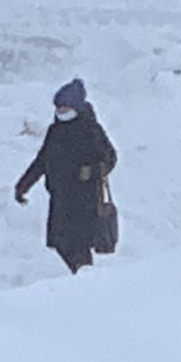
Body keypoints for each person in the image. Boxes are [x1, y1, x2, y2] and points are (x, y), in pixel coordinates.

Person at [13, 77, 118, 271]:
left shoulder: (90, 130)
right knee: (62, 244)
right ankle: (81, 278)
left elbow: (110, 157)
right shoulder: (55, 131)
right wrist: (22, 186)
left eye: (65, 108)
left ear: (76, 107)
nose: (61, 112)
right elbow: (41, 161)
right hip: (60, 200)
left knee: (79, 246)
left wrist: (92, 170)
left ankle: (85, 283)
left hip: (84, 201)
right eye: (58, 108)